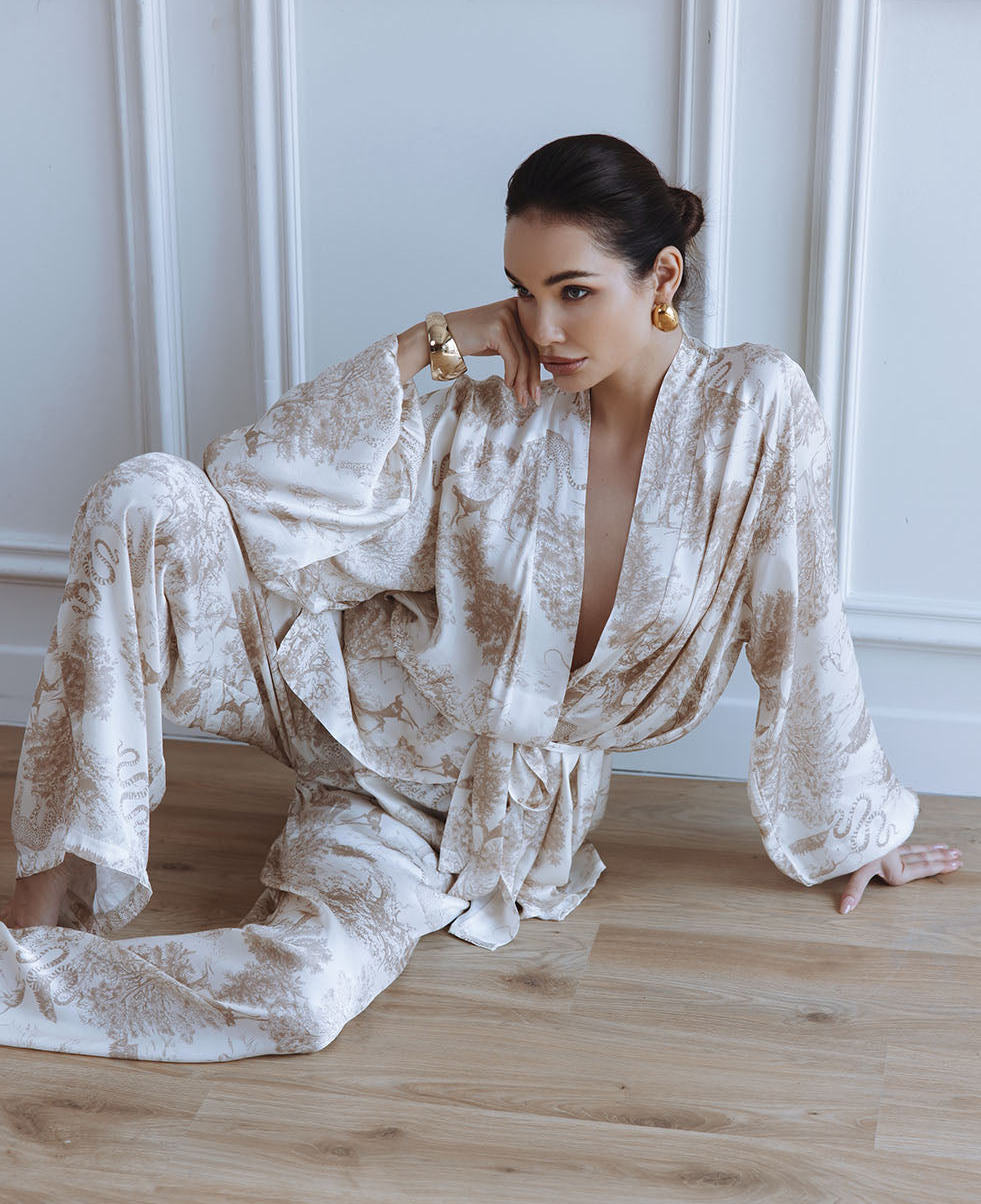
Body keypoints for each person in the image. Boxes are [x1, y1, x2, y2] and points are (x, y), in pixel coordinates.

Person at [1, 133, 961, 1062]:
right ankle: (35, 914)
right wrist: (426, 344)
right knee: (145, 494)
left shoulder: (753, 408)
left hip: (423, 816)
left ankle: (16, 984)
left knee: (301, 994)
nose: (541, 330)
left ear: (661, 278)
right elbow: (248, 490)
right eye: (522, 292)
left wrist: (852, 831)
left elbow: (800, 618)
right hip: (326, 696)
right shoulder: (495, 411)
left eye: (573, 291)